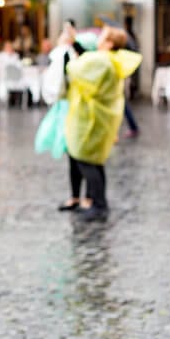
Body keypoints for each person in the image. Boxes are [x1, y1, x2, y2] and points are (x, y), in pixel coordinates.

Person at [62, 25, 141, 222]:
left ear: (109, 43)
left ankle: (99, 205)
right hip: (99, 117)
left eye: (102, 38)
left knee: (85, 160)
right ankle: (98, 201)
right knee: (94, 161)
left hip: (91, 119)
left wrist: (70, 58)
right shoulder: (111, 61)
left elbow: (77, 69)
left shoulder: (103, 61)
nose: (98, 40)